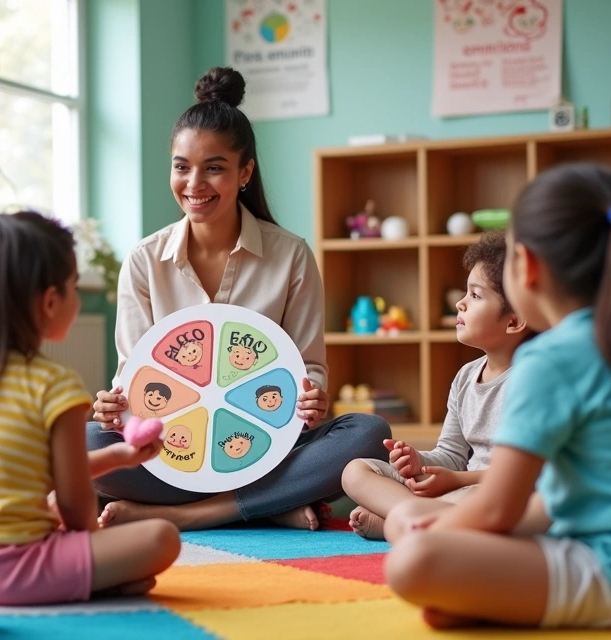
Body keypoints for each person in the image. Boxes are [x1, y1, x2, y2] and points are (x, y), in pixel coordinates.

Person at [386, 163, 611, 631]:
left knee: (412, 556)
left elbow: (499, 507)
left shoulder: (548, 360)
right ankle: (486, 593)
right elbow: (557, 503)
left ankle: (491, 597)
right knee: (410, 517)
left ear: (529, 268)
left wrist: (444, 541)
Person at [88, 67, 391, 531]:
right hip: (174, 453)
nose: (194, 184)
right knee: (81, 441)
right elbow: (136, 377)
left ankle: (196, 516)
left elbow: (308, 369)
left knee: (369, 434)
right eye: (181, 166)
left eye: (214, 167)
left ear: (244, 171)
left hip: (266, 447)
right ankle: (270, 507)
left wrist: (311, 402)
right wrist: (115, 404)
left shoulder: (290, 255)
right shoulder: (145, 260)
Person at [0, 212, 181, 605]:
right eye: (74, 288)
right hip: (15, 570)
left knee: (50, 509)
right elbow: (74, 503)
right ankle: (89, 581)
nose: (75, 297)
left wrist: (119, 457)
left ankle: (98, 580)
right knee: (162, 538)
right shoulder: (56, 385)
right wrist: (92, 543)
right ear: (51, 302)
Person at [342, 231, 529, 540]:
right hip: (455, 492)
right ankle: (416, 522)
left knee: (470, 501)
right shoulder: (466, 377)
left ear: (513, 321)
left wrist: (455, 481)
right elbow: (452, 454)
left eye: (475, 295)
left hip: (493, 494)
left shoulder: (531, 380)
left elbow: (527, 475)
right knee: (356, 471)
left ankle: (403, 522)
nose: (460, 303)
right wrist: (418, 462)